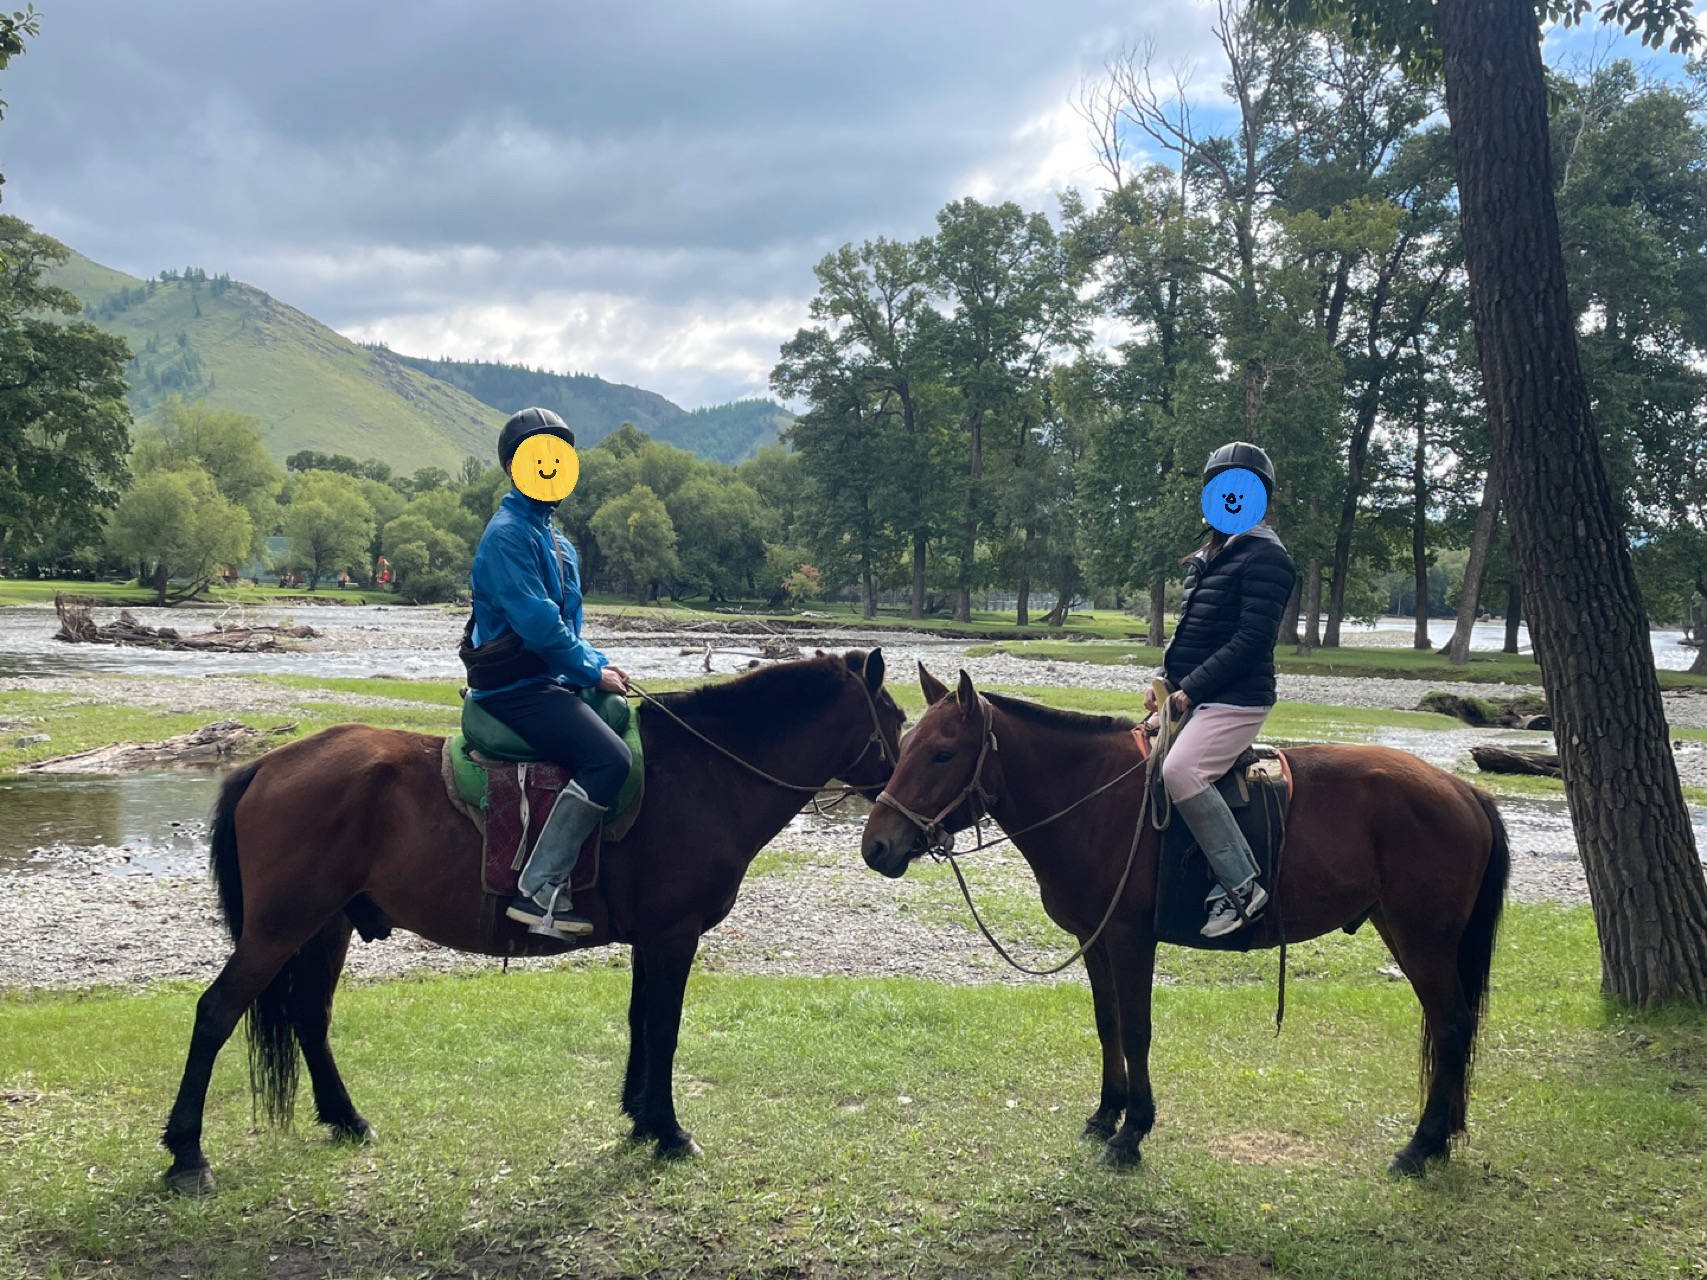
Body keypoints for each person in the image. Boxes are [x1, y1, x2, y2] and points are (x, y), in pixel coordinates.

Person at [464, 406, 631, 936]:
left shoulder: (559, 543)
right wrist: (590, 671)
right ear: (513, 468)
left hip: (548, 679)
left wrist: (598, 664)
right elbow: (538, 625)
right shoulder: (506, 536)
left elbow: (568, 626)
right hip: (515, 687)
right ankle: (539, 890)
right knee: (609, 759)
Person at [1148, 441, 1298, 939]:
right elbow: (1195, 633)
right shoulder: (1208, 556)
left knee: (1181, 771)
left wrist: (1190, 689)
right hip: (1198, 693)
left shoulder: (1268, 559)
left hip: (1236, 700)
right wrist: (1166, 683)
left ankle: (1240, 885)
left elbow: (1251, 641)